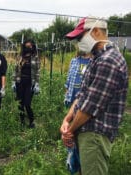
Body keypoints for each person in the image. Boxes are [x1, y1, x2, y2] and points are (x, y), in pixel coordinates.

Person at [60, 16, 128, 175]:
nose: (78, 42)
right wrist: (67, 119)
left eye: (80, 37)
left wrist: (69, 130)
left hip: (95, 135)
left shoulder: (108, 60)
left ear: (96, 31)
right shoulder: (96, 59)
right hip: (86, 132)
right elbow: (82, 95)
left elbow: (89, 107)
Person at [12, 39, 40, 128]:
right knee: (20, 104)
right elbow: (16, 70)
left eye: (30, 46)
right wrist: (13, 81)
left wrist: (37, 84)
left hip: (30, 83)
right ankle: (22, 122)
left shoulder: (35, 57)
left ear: (32, 47)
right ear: (23, 47)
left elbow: (37, 71)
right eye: (26, 46)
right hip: (19, 82)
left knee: (27, 104)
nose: (28, 48)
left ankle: (32, 121)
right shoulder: (20, 57)